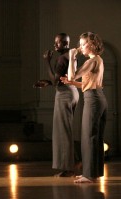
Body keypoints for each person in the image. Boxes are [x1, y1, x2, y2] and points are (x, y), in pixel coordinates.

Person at [61, 32, 107, 183]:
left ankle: (89, 174)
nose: (80, 47)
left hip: (93, 100)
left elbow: (72, 75)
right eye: (79, 45)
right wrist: (72, 84)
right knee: (95, 137)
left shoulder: (91, 62)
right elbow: (88, 84)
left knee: (89, 137)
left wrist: (72, 57)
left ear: (92, 44)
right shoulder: (98, 60)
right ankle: (92, 173)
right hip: (98, 97)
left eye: (82, 44)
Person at [34, 33, 79, 177]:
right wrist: (47, 82)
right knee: (66, 130)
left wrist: (47, 61)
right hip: (72, 92)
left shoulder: (62, 58)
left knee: (62, 132)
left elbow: (56, 80)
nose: (55, 45)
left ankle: (69, 168)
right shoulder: (71, 56)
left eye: (57, 43)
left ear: (65, 43)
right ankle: (75, 161)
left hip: (64, 94)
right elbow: (59, 79)